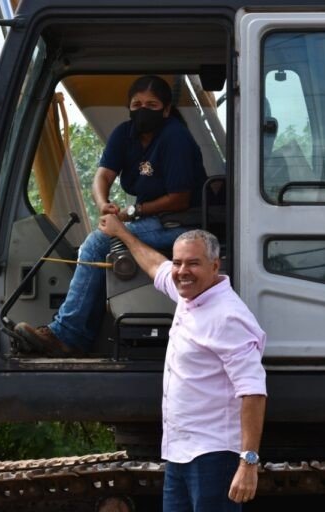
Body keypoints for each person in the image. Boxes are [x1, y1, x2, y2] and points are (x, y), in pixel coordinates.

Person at [16, 75, 207, 356]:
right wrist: (103, 203)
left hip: (184, 222)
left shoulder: (174, 137)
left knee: (97, 243)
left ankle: (67, 336)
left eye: (152, 105)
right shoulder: (124, 134)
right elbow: (103, 175)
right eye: (137, 104)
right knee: (93, 244)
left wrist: (131, 212)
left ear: (166, 110)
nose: (143, 110)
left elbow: (180, 199)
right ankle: (83, 329)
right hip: (155, 220)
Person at [98, 214, 268, 511]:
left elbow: (253, 392)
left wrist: (248, 461)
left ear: (215, 266)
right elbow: (154, 264)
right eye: (178, 263)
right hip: (180, 452)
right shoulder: (188, 296)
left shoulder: (228, 317)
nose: (181, 271)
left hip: (214, 455)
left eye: (193, 263)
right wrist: (122, 233)